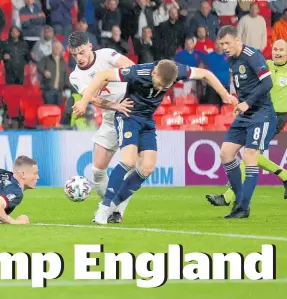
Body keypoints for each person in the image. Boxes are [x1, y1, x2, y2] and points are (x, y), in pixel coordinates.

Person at [73, 60, 234, 224]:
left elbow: (205, 74)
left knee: (147, 168)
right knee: (128, 160)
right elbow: (102, 75)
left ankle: (114, 206)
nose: (159, 89)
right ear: (154, 73)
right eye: (158, 84)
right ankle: (104, 207)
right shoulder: (138, 72)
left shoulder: (177, 71)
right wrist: (84, 101)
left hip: (147, 121)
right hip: (129, 116)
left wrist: (224, 95)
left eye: (164, 87)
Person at [207, 30, 284, 215]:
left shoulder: (252, 55)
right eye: (222, 44)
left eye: (227, 43)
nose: (224, 48)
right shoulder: (232, 59)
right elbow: (244, 86)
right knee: (226, 153)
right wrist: (238, 102)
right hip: (245, 115)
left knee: (250, 155)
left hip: (262, 114)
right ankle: (238, 199)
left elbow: (267, 84)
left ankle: (243, 206)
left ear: (237, 40)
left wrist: (247, 103)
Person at [67, 31, 136, 223]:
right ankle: (113, 207)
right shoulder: (75, 76)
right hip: (109, 116)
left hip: (130, 109)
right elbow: (94, 99)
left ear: (90, 46)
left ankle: (114, 211)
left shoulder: (106, 54)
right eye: (74, 55)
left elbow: (131, 67)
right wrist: (115, 106)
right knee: (97, 171)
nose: (78, 58)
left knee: (131, 164)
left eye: (81, 52)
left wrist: (106, 77)